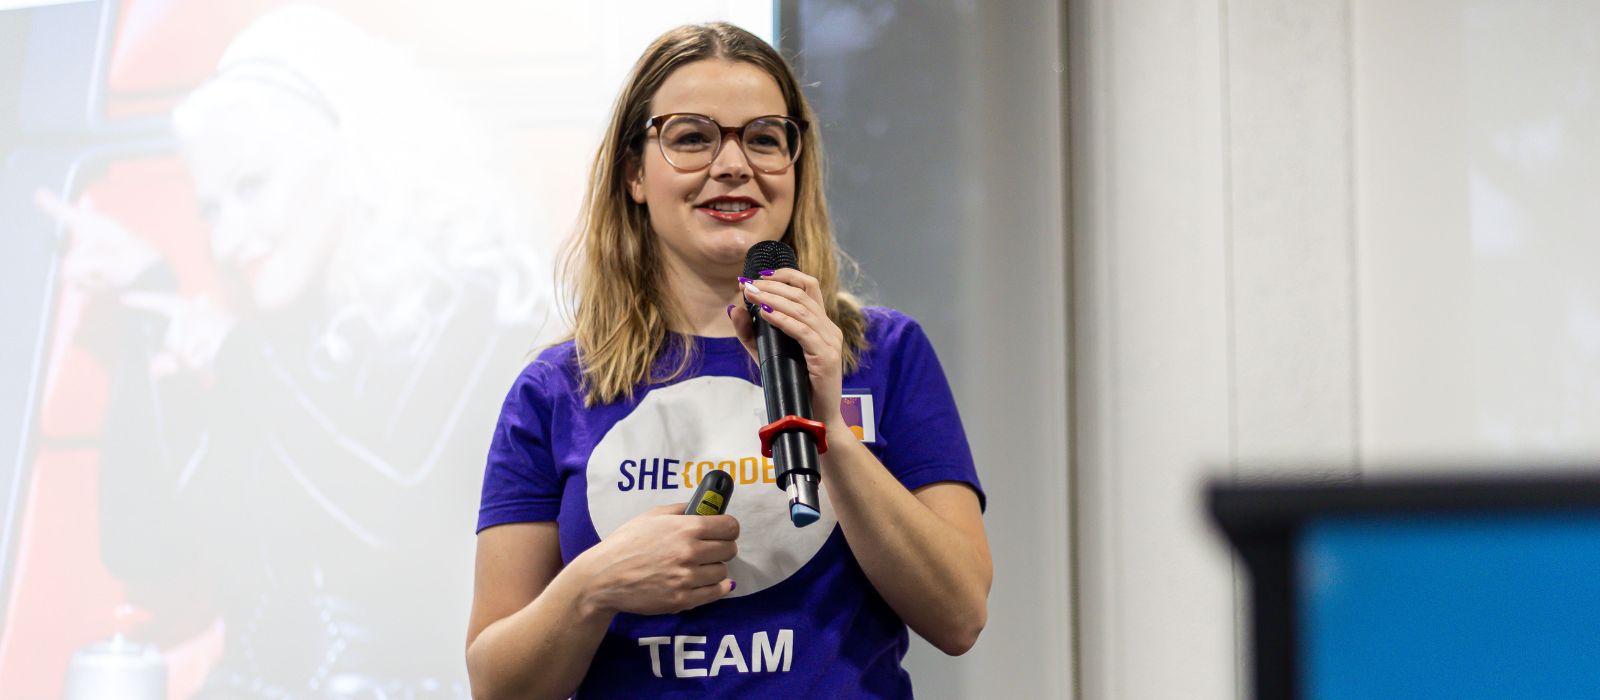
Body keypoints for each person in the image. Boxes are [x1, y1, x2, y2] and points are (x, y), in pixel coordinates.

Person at [467, 22, 991, 699]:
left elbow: (959, 616)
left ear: (794, 170)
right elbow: (496, 684)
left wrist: (828, 429)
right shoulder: (556, 389)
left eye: (765, 138)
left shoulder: (882, 354)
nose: (734, 164)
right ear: (634, 173)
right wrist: (592, 586)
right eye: (692, 138)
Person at [45, 6, 552, 697]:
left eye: (252, 187)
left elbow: (401, 512)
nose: (230, 238)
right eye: (213, 208)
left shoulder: (480, 311)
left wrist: (235, 360)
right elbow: (145, 549)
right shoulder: (271, 349)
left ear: (348, 155)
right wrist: (143, 311)